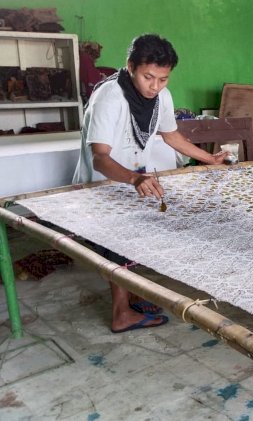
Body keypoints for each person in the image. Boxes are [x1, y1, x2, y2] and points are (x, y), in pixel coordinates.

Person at [72, 34, 228, 333]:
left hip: (134, 178)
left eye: (163, 79)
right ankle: (121, 313)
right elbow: (100, 158)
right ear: (130, 67)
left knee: (134, 238)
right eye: (148, 77)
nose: (155, 86)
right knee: (119, 241)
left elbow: (171, 135)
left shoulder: (161, 98)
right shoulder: (110, 97)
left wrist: (209, 159)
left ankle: (129, 299)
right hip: (104, 183)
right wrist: (135, 178)